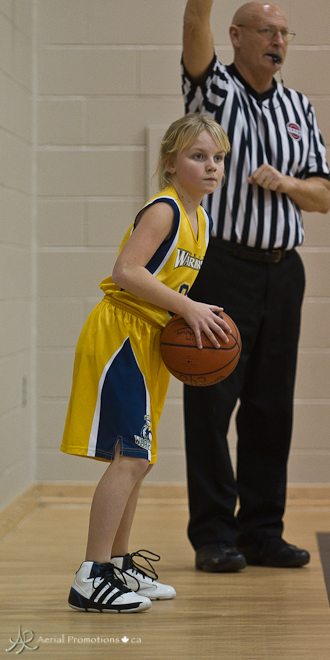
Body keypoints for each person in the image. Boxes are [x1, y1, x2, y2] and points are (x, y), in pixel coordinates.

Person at [181, 0, 330, 573]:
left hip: (283, 271)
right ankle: (214, 534)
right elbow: (194, 21)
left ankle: (261, 531)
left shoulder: (299, 107)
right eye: (265, 31)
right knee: (212, 400)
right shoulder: (215, 91)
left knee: (272, 407)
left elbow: (324, 195)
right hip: (223, 266)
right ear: (237, 38)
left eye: (284, 33)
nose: (278, 41)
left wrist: (289, 185)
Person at [61, 112, 231, 611]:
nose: (212, 166)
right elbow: (126, 271)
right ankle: (91, 576)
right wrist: (188, 308)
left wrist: (188, 316)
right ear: (170, 163)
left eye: (218, 157)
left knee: (141, 458)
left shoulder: (202, 221)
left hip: (150, 340)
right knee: (131, 456)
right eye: (198, 156)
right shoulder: (164, 209)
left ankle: (117, 565)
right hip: (121, 333)